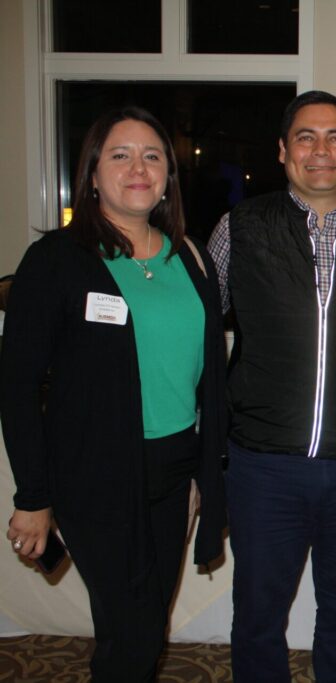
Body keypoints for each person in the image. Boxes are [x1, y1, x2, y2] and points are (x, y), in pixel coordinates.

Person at [1, 106, 227, 681]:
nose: (138, 168)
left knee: (142, 618)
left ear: (168, 177)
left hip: (173, 470)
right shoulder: (56, 261)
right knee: (136, 629)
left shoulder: (191, 257)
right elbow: (18, 386)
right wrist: (33, 495)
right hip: (94, 473)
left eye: (153, 156)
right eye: (120, 155)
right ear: (93, 173)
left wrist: (203, 470)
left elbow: (209, 380)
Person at [207, 90, 336, 682]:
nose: (320, 150)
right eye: (306, 137)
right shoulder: (240, 229)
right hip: (263, 467)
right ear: (282, 151)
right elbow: (196, 332)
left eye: (335, 138)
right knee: (257, 616)